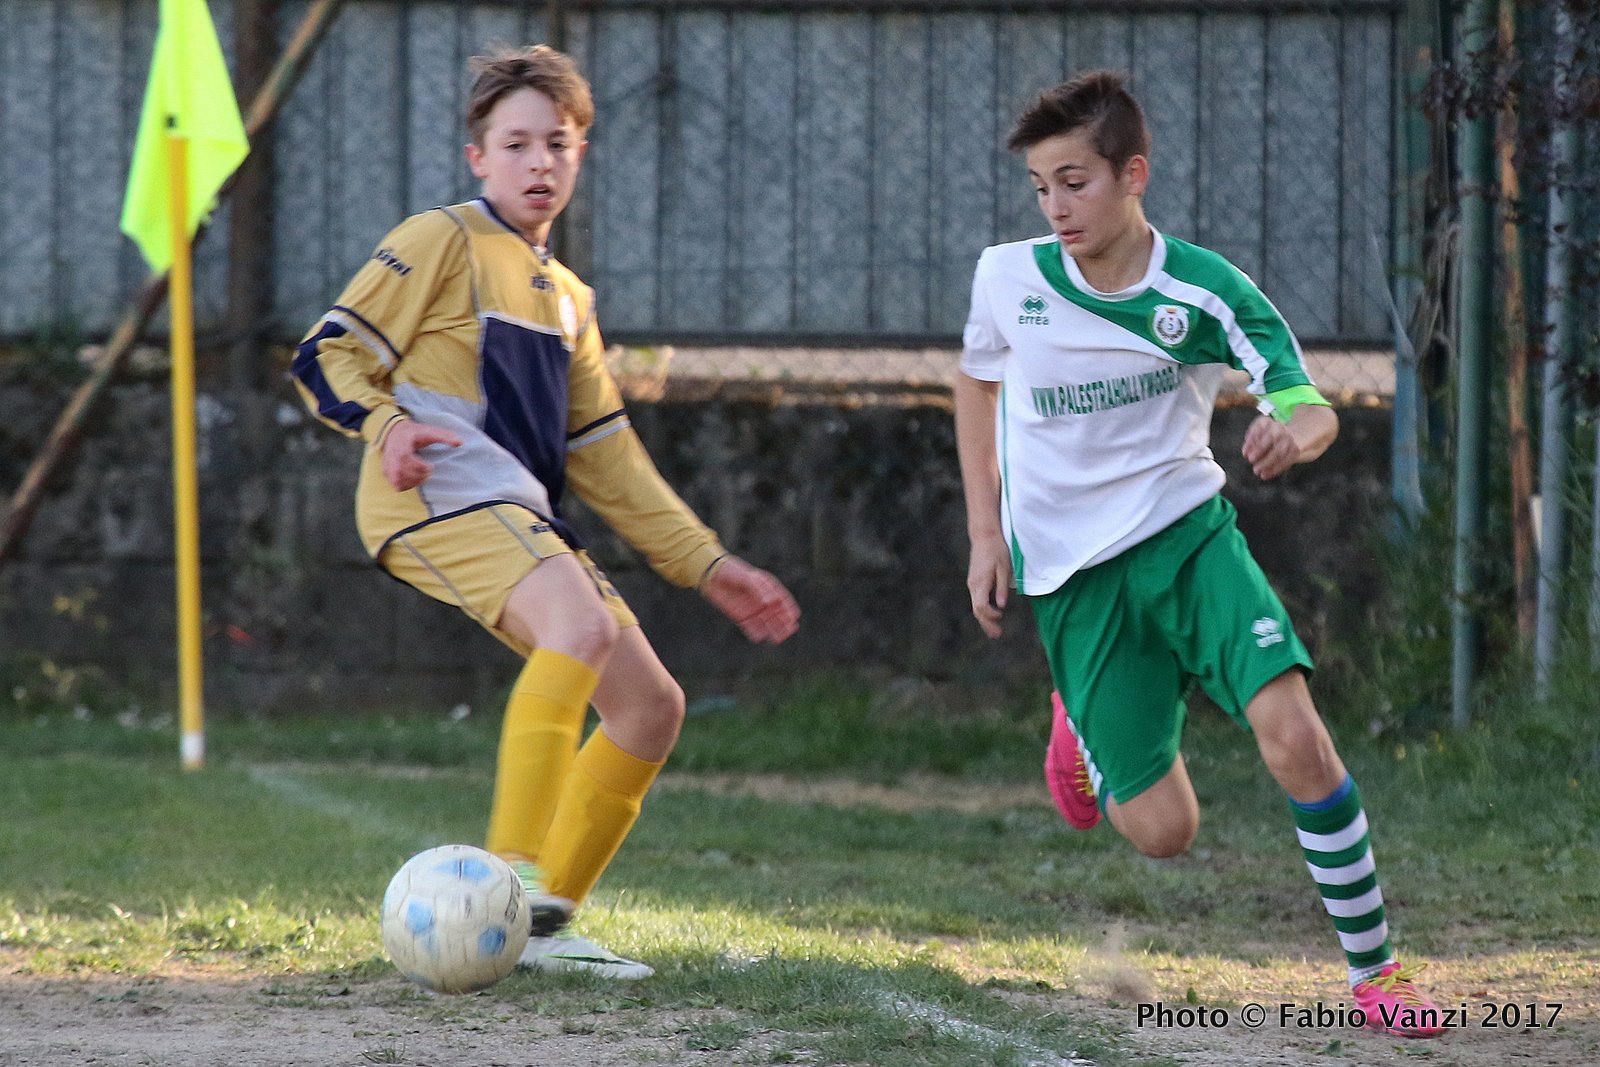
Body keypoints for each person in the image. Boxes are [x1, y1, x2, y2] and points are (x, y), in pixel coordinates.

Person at [291, 45, 800, 980]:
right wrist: (388, 426)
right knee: (579, 627)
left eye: (557, 144)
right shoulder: (441, 237)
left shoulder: (569, 301)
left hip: (515, 512)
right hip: (434, 499)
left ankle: (542, 927)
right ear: (478, 156)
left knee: (649, 707)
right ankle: (511, 873)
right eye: (516, 143)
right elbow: (327, 352)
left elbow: (608, 458)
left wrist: (707, 562)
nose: (539, 162)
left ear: (580, 155)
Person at [954, 71, 1443, 1038]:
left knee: (1297, 738)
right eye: (1042, 187)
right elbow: (976, 382)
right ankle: (1078, 723)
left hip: (1188, 541)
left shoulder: (1204, 291)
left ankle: (1376, 973)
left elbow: (1306, 400)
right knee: (1164, 833)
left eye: (1075, 183)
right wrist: (984, 531)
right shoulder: (1007, 277)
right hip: (1073, 577)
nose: (1056, 208)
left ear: (1132, 174)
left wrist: (1295, 432)